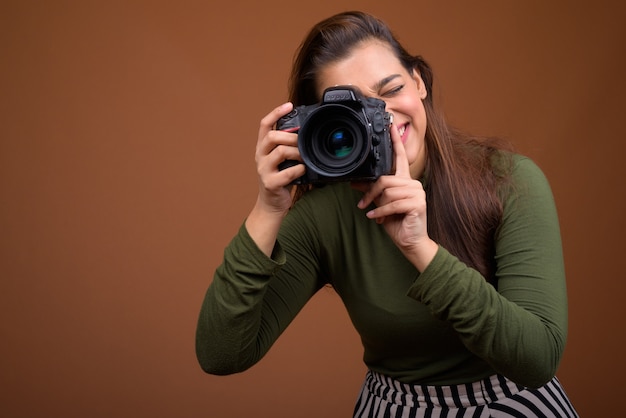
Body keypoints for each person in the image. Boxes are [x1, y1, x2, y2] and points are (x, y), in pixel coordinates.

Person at [195, 10, 579, 417]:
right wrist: (267, 209)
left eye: (392, 89)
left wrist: (420, 247)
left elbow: (537, 359)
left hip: (513, 404)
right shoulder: (325, 215)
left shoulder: (508, 181)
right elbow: (221, 354)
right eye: (356, 110)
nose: (384, 117)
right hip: (396, 407)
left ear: (419, 82)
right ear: (323, 125)